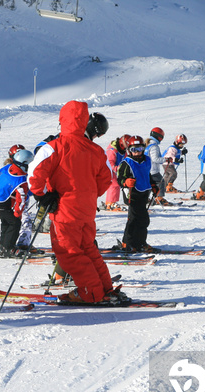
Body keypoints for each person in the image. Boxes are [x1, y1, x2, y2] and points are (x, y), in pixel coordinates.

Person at [28, 101, 126, 304]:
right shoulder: (96, 151)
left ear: (62, 121)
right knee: (88, 249)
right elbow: (106, 179)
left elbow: (34, 174)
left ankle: (91, 292)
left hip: (65, 211)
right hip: (86, 211)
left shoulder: (55, 146)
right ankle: (105, 288)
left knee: (68, 253)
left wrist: (43, 195)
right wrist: (88, 195)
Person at [117, 135, 159, 253]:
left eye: (139, 149)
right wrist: (125, 182)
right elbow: (119, 178)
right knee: (133, 220)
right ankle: (127, 243)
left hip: (144, 194)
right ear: (129, 150)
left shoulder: (146, 160)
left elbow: (147, 175)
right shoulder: (126, 163)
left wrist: (154, 186)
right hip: (132, 195)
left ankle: (140, 243)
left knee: (143, 220)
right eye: (134, 150)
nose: (136, 152)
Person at [0, 149, 35, 257]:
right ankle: (9, 248)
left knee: (6, 222)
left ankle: (3, 244)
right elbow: (21, 199)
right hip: (2, 202)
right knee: (15, 223)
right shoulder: (21, 180)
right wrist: (17, 214)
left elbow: (0, 172)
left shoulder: (8, 168)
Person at [101, 134, 130, 211]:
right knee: (114, 184)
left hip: (116, 170)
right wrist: (117, 168)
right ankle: (110, 203)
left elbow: (126, 158)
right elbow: (110, 162)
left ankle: (113, 201)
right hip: (109, 170)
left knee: (117, 185)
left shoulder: (123, 150)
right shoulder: (112, 151)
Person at [146, 127, 172, 206]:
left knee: (149, 184)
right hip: (153, 170)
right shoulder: (154, 146)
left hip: (147, 169)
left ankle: (146, 198)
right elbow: (155, 159)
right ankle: (159, 198)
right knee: (160, 182)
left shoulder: (147, 144)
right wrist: (166, 160)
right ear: (159, 136)